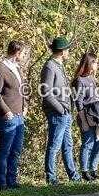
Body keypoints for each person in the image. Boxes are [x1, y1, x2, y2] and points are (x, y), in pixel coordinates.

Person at [40, 37, 80, 185]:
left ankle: (74, 176)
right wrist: (61, 109)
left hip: (66, 112)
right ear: (63, 51)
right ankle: (51, 178)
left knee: (67, 145)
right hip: (58, 112)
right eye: (68, 49)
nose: (69, 52)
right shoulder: (50, 66)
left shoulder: (59, 65)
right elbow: (46, 92)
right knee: (54, 146)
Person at [0, 40, 27, 190]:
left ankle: (12, 180)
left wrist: (25, 105)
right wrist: (6, 110)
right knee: (4, 151)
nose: (24, 56)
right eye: (23, 53)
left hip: (20, 116)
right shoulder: (0, 69)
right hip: (8, 117)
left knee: (16, 150)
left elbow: (22, 90)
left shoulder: (17, 69)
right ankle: (2, 182)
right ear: (17, 54)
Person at [73, 53, 99, 180]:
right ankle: (85, 171)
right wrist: (84, 121)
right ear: (89, 63)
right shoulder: (80, 80)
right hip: (86, 115)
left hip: (96, 114)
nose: (97, 64)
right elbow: (78, 101)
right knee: (88, 143)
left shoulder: (92, 78)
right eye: (95, 62)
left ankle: (93, 169)